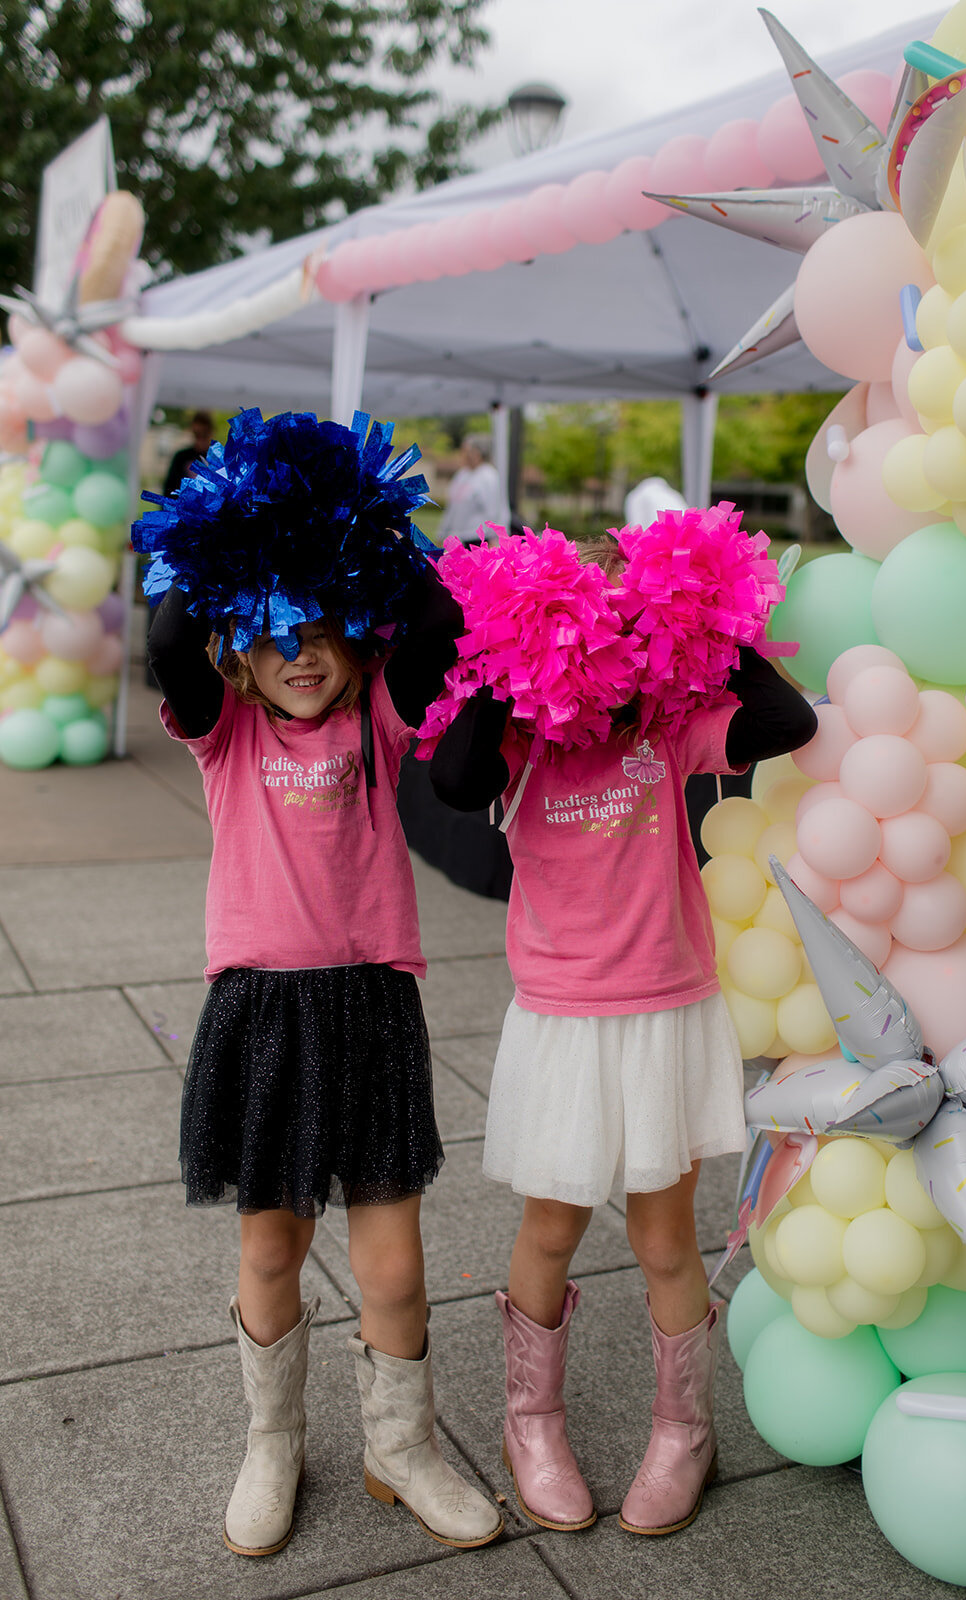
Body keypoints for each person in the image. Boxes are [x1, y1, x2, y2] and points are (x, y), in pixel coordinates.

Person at [136, 408, 503, 1559]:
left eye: (324, 627)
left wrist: (372, 535)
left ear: (357, 633)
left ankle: (401, 1442)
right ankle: (272, 1439)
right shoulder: (228, 732)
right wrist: (228, 532)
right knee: (270, 1248)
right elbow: (164, 639)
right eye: (275, 628)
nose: (302, 651)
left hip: (372, 1010)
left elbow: (439, 625)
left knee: (393, 1258)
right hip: (263, 1012)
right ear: (241, 645)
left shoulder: (380, 718)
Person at [429, 529, 815, 1538]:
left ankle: (684, 1430)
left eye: (611, 630)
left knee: (660, 1237)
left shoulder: (663, 732)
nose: (593, 650)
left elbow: (785, 716)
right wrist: (502, 659)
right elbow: (452, 776)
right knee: (550, 1228)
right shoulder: (514, 744)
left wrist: (688, 618)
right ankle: (531, 1422)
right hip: (561, 1023)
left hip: (664, 1015)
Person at [437, 433, 501, 546]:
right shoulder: (462, 474)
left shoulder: (488, 476)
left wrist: (493, 537)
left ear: (477, 453)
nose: (462, 454)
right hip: (459, 537)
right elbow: (452, 507)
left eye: (466, 450)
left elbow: (493, 511)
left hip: (477, 539)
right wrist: (442, 533)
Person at [162, 409, 215, 496]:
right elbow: (169, 488)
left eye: (204, 434)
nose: (200, 438)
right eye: (197, 434)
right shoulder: (181, 457)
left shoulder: (217, 459)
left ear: (210, 432)